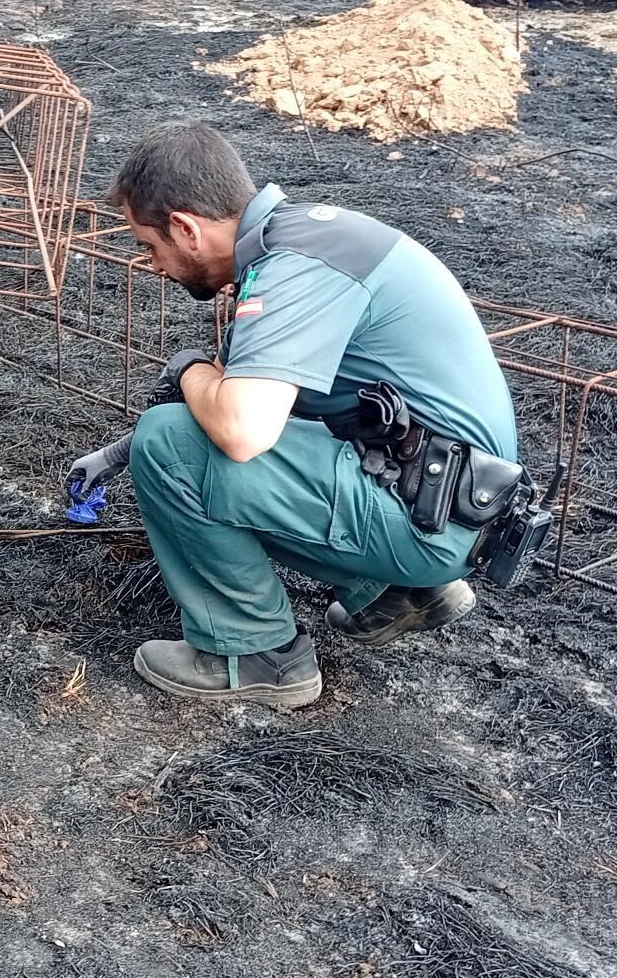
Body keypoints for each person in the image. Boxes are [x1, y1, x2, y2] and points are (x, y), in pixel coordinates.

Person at [68, 120, 522, 708]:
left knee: (168, 441)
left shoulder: (295, 271)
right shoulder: (304, 241)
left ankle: (254, 654)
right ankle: (399, 590)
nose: (151, 263)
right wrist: (114, 456)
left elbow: (240, 428)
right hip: (447, 500)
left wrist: (186, 368)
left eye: (148, 246)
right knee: (192, 434)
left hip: (432, 520)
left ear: (185, 228)